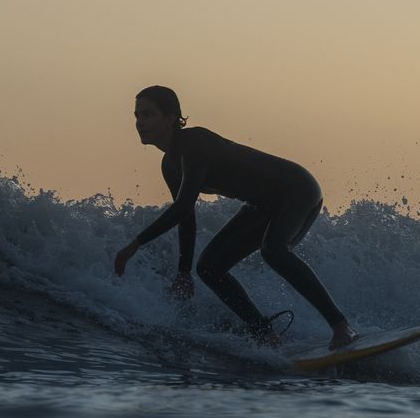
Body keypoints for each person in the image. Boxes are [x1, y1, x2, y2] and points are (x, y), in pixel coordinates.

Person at [113, 86, 357, 350]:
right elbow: (187, 216)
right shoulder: (170, 166)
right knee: (208, 268)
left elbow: (182, 207)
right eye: (137, 116)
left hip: (297, 189)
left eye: (147, 115)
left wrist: (134, 245)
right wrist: (184, 272)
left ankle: (341, 326)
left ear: (170, 118)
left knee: (274, 250)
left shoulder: (194, 143)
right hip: (262, 205)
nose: (139, 123)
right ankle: (264, 334)